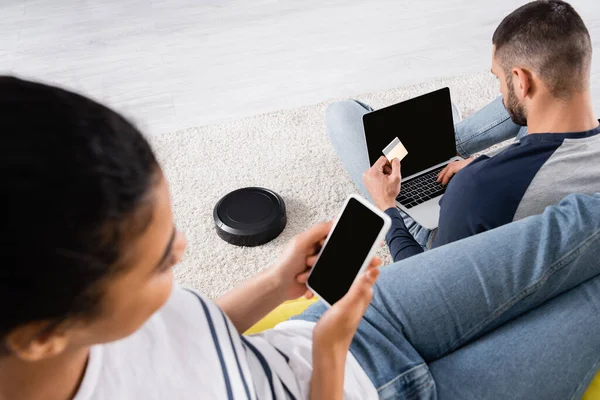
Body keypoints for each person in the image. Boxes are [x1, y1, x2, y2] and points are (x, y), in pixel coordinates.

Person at [2, 79, 600, 399]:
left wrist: (270, 285)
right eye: (158, 262)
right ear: (44, 335)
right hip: (380, 384)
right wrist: (329, 357)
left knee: (569, 229)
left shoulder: (67, 316)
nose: (182, 254)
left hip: (356, 320)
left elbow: (178, 336)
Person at [326, 0, 600, 261]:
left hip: (439, 231)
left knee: (342, 113)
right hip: (514, 181)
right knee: (521, 111)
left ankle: (439, 139)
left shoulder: (475, 187)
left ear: (520, 80)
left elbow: (421, 279)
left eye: (499, 79)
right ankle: (441, 141)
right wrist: (483, 163)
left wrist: (386, 206)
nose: (501, 91)